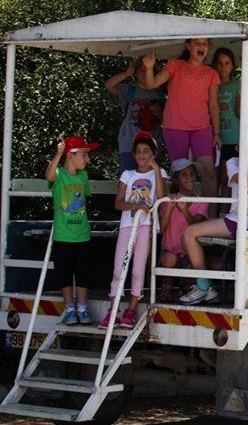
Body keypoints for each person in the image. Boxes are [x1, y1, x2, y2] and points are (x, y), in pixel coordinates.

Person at [180, 128, 248, 304]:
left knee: (190, 233)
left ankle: (204, 287)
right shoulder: (233, 162)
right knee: (189, 233)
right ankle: (204, 286)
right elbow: (241, 179)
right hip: (235, 220)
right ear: (241, 148)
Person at [141, 39, 220, 199]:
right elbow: (151, 84)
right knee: (180, 172)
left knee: (208, 170)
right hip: (175, 126)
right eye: (197, 43)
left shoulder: (211, 73)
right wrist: (149, 68)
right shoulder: (175, 65)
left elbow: (213, 105)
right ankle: (177, 214)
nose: (201, 47)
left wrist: (217, 134)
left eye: (204, 44)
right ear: (188, 46)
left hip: (201, 127)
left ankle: (210, 216)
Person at [103, 131, 166, 329]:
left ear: (154, 154)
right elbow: (118, 203)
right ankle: (113, 310)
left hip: (146, 226)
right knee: (118, 269)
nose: (142, 155)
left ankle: (131, 310)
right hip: (127, 225)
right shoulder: (127, 175)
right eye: (138, 151)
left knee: (138, 270)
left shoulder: (159, 173)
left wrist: (156, 170)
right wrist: (136, 206)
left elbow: (162, 197)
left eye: (146, 151)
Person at [44, 136, 100, 325]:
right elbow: (49, 176)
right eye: (84, 155)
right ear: (71, 155)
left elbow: (83, 198)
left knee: (83, 272)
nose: (87, 159)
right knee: (64, 274)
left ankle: (82, 308)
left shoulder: (83, 176)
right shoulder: (59, 174)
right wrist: (58, 154)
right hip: (63, 235)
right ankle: (70, 309)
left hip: (82, 234)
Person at [158, 159, 208, 301]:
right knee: (170, 259)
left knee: (197, 266)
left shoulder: (201, 201)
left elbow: (197, 227)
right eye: (184, 175)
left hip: (191, 255)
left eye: (192, 174)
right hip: (170, 253)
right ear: (175, 180)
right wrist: (171, 207)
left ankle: (187, 285)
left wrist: (185, 210)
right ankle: (168, 284)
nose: (190, 178)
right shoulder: (166, 201)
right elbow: (161, 229)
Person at [104, 56, 164, 173]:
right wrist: (126, 73)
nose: (145, 73)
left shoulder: (159, 94)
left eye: (148, 70)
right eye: (142, 70)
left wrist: (160, 113)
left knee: (151, 183)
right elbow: (109, 85)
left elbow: (166, 122)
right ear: (135, 73)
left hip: (152, 147)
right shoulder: (128, 90)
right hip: (129, 145)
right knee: (127, 181)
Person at [213, 47, 241, 188]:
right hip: (213, 138)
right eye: (219, 63)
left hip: (232, 138)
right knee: (213, 177)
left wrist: (239, 99)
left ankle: (224, 210)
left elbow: (240, 113)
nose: (223, 67)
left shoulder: (238, 85)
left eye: (227, 63)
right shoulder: (210, 84)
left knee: (227, 178)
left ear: (233, 65)